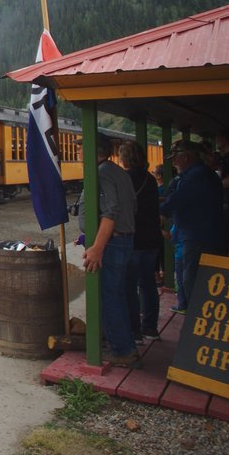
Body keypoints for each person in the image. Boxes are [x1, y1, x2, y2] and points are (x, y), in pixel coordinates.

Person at [81, 137, 141, 367]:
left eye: (80, 148)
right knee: (120, 294)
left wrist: (97, 246)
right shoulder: (119, 172)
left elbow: (110, 213)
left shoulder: (102, 173)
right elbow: (131, 207)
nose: (77, 152)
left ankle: (123, 351)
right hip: (123, 241)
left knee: (109, 298)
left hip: (112, 244)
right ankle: (127, 342)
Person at [159, 139, 226, 312]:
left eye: (175, 158)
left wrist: (159, 212)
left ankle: (197, 316)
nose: (173, 162)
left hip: (198, 235)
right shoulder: (202, 174)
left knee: (193, 279)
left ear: (186, 157)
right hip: (205, 233)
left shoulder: (195, 176)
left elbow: (177, 199)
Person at [120, 141, 162, 340]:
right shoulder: (150, 179)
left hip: (134, 238)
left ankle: (134, 330)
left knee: (130, 286)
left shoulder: (124, 179)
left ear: (124, 158)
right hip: (152, 238)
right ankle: (150, 326)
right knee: (148, 285)